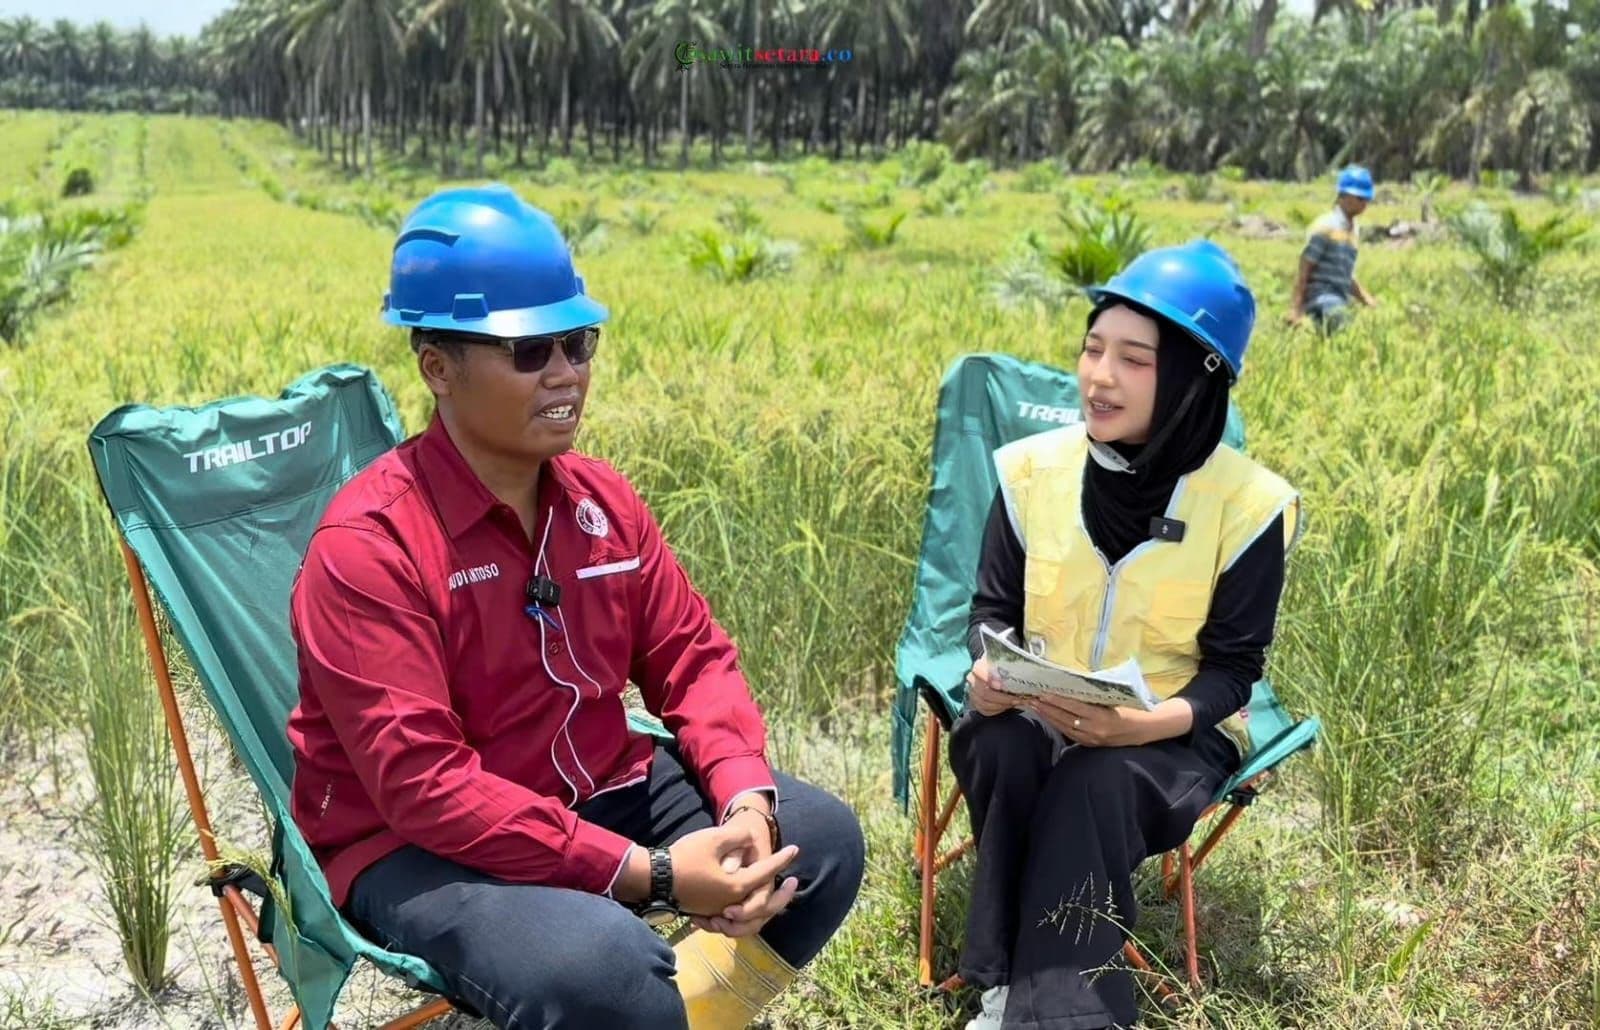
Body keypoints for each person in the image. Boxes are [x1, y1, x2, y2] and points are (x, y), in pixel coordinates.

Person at [286, 184, 864, 1030]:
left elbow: (691, 658)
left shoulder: (602, 503)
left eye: (578, 341)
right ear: (437, 367)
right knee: (605, 970)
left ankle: (682, 1019)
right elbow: (425, 787)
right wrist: (654, 875)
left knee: (818, 843)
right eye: (528, 351)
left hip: (596, 784)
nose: (565, 372)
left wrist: (745, 801)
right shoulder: (370, 547)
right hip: (420, 843)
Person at [949, 240, 1302, 1030]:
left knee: (1095, 781)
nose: (1098, 376)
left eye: (1133, 360)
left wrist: (1140, 726)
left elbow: (1233, 669)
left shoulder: (1250, 507)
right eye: (1092, 348)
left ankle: (1059, 1015)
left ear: (1191, 379)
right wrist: (988, 675)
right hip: (1039, 707)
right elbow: (989, 612)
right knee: (995, 742)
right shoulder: (1029, 473)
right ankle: (1006, 986)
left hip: (1172, 733)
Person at [1289, 164, 1379, 333]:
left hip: (1339, 299)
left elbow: (1346, 276)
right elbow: (1305, 268)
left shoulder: (1353, 230)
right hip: (1321, 298)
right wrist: (1295, 309)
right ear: (1344, 196)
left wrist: (1367, 299)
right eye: (1360, 198)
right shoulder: (1325, 226)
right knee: (1345, 329)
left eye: (1366, 199)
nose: (1364, 204)